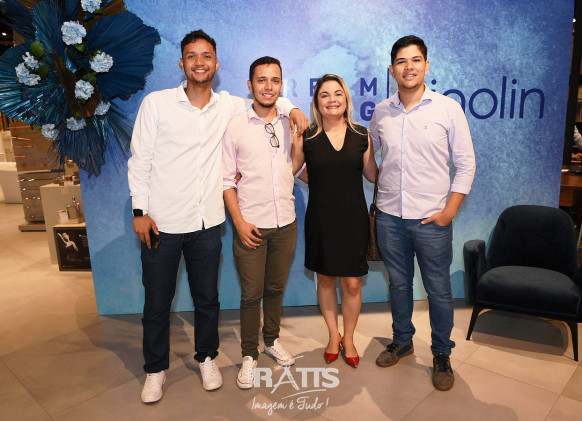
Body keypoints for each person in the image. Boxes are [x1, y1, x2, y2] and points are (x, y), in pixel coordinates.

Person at [128, 30, 308, 404]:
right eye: (192, 56)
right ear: (181, 63)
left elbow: (269, 95)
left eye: (206, 56)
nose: (200, 62)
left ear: (216, 63)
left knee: (207, 299)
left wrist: (292, 109)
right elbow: (140, 160)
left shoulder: (229, 106)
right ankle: (155, 369)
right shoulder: (157, 104)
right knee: (157, 303)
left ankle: (207, 357)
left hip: (207, 222)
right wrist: (140, 210)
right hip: (162, 222)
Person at [370, 35, 476, 391]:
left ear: (426, 66)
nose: (409, 67)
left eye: (415, 60)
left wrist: (449, 212)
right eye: (401, 61)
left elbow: (466, 165)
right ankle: (402, 340)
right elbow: (371, 158)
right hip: (389, 217)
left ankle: (442, 353)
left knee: (439, 291)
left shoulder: (448, 109)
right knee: (399, 284)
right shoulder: (382, 111)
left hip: (432, 220)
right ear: (392, 69)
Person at [292, 74, 377, 368]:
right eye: (325, 94)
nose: (332, 100)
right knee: (326, 278)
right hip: (321, 218)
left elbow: (373, 175)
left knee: (352, 283)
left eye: (337, 93)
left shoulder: (362, 135)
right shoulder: (307, 137)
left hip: (353, 220)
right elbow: (293, 169)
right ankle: (333, 335)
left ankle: (349, 338)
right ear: (317, 102)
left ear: (346, 99)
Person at [222, 56, 298, 389]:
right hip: (250, 226)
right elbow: (226, 181)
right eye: (261, 80)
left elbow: (293, 167)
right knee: (251, 295)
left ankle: (271, 340)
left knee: (276, 289)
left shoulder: (289, 123)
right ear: (250, 85)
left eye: (275, 80)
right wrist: (239, 223)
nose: (268, 86)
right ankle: (249, 354)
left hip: (286, 224)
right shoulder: (236, 126)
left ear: (282, 85)